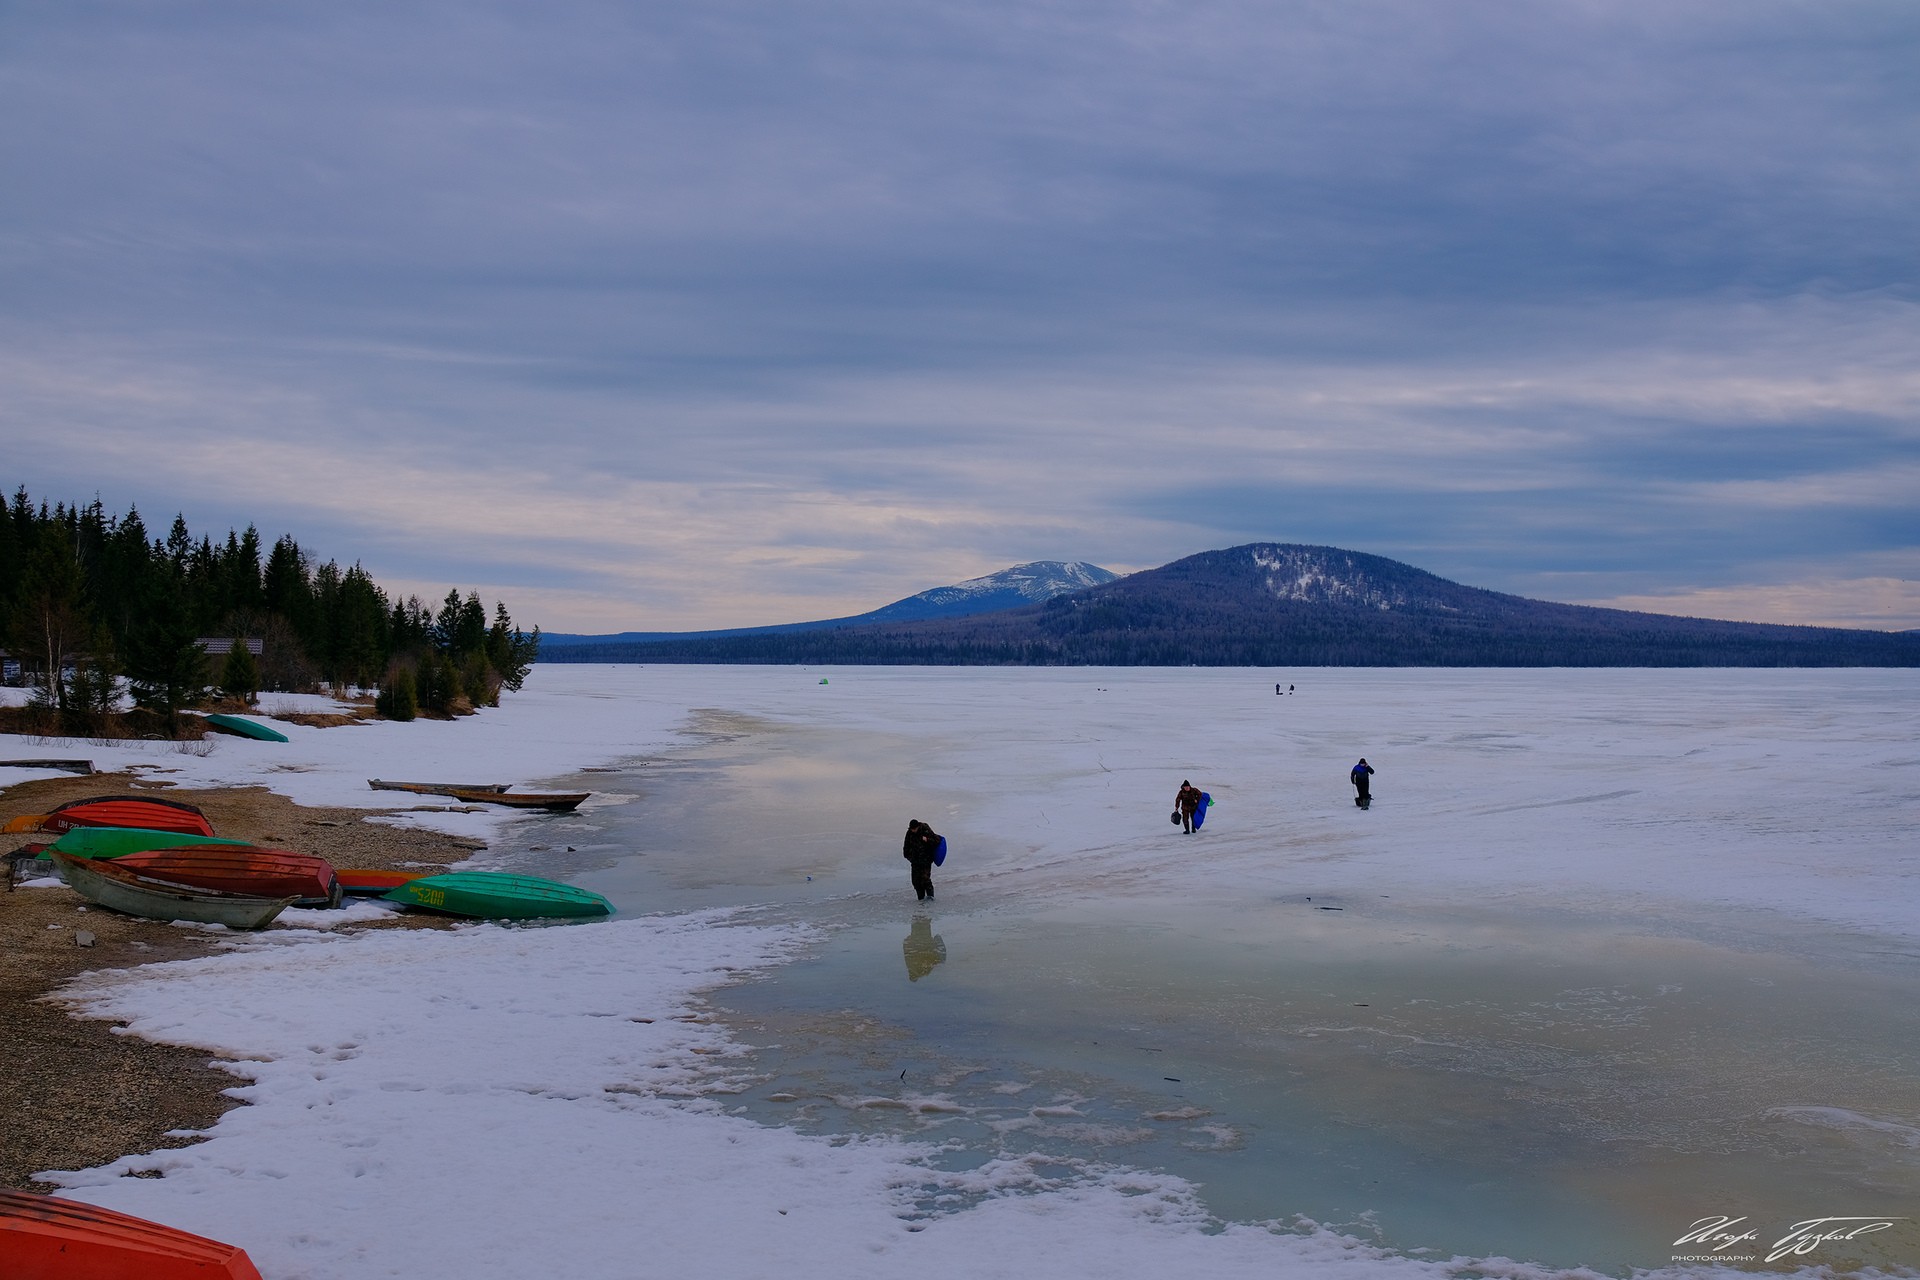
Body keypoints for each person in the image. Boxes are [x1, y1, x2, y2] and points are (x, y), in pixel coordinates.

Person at [902, 818, 942, 901]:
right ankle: (921, 899)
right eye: (911, 829)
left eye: (914, 829)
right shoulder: (909, 833)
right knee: (916, 881)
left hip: (926, 860)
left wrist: (927, 840)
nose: (913, 831)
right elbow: (906, 846)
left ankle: (930, 898)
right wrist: (909, 857)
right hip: (915, 861)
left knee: (925, 879)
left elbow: (937, 841)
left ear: (917, 827)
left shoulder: (925, 829)